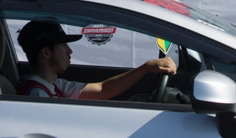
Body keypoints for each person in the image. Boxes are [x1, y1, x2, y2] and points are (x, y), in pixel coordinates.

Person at [15, 20, 176, 100]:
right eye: (63, 46)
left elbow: (102, 89)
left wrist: (147, 67)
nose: (70, 50)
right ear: (46, 53)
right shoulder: (37, 93)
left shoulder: (53, 84)